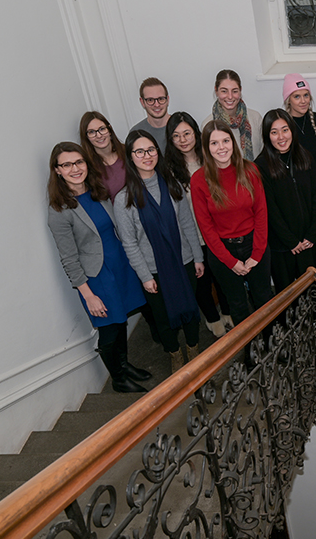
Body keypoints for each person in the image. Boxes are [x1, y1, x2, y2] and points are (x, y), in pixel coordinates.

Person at [47, 142, 149, 393]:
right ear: (57, 170)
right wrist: (88, 294)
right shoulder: (59, 210)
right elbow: (69, 258)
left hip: (120, 266)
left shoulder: (97, 191)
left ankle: (124, 366)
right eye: (67, 164)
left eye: (79, 162)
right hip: (97, 277)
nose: (75, 168)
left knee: (121, 320)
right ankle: (118, 378)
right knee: (109, 329)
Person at [114, 130, 204, 374]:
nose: (147, 155)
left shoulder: (172, 184)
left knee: (190, 310)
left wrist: (198, 256)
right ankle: (175, 355)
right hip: (153, 271)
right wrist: (144, 276)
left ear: (158, 152)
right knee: (163, 319)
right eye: (139, 151)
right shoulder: (124, 199)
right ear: (130, 157)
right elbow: (129, 243)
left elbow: (187, 223)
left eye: (151, 149)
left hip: (184, 261)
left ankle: (194, 351)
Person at [191, 120, 273, 345]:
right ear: (206, 148)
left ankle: (272, 343)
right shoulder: (199, 180)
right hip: (222, 252)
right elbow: (205, 227)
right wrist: (230, 261)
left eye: (225, 140)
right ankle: (251, 348)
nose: (221, 147)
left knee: (264, 299)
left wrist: (256, 254)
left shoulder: (250, 170)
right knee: (237, 305)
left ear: (233, 142)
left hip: (254, 244)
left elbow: (261, 213)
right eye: (214, 143)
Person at [163, 111, 231, 337]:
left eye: (187, 133)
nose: (183, 140)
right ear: (170, 140)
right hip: (191, 235)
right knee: (202, 281)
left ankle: (229, 314)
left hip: (217, 230)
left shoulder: (211, 158)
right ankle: (213, 320)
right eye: (176, 136)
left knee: (222, 278)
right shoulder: (168, 170)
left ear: (196, 133)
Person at [255, 109, 316, 292]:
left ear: (292, 130)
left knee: (311, 290)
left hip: (309, 241)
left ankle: (312, 321)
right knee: (286, 295)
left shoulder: (307, 157)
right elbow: (270, 209)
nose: (281, 137)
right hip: (282, 246)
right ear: (267, 136)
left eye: (285, 130)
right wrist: (291, 241)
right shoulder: (260, 165)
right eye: (274, 132)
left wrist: (312, 234)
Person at [203, 69, 263, 161]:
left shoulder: (255, 118)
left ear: (240, 90)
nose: (230, 96)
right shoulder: (208, 124)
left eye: (234, 91)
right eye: (224, 91)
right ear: (216, 91)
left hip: (254, 173)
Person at [79, 111, 128, 200]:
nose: (99, 135)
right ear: (86, 137)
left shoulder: (128, 151)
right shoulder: (89, 167)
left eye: (102, 129)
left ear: (109, 130)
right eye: (92, 132)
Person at [283, 73, 316, 164]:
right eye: (297, 96)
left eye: (306, 95)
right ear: (288, 101)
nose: (303, 101)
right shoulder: (283, 125)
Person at [130, 77, 171, 153]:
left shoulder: (182, 127)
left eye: (161, 99)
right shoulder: (136, 132)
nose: (156, 104)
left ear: (167, 100)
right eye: (150, 100)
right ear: (142, 102)